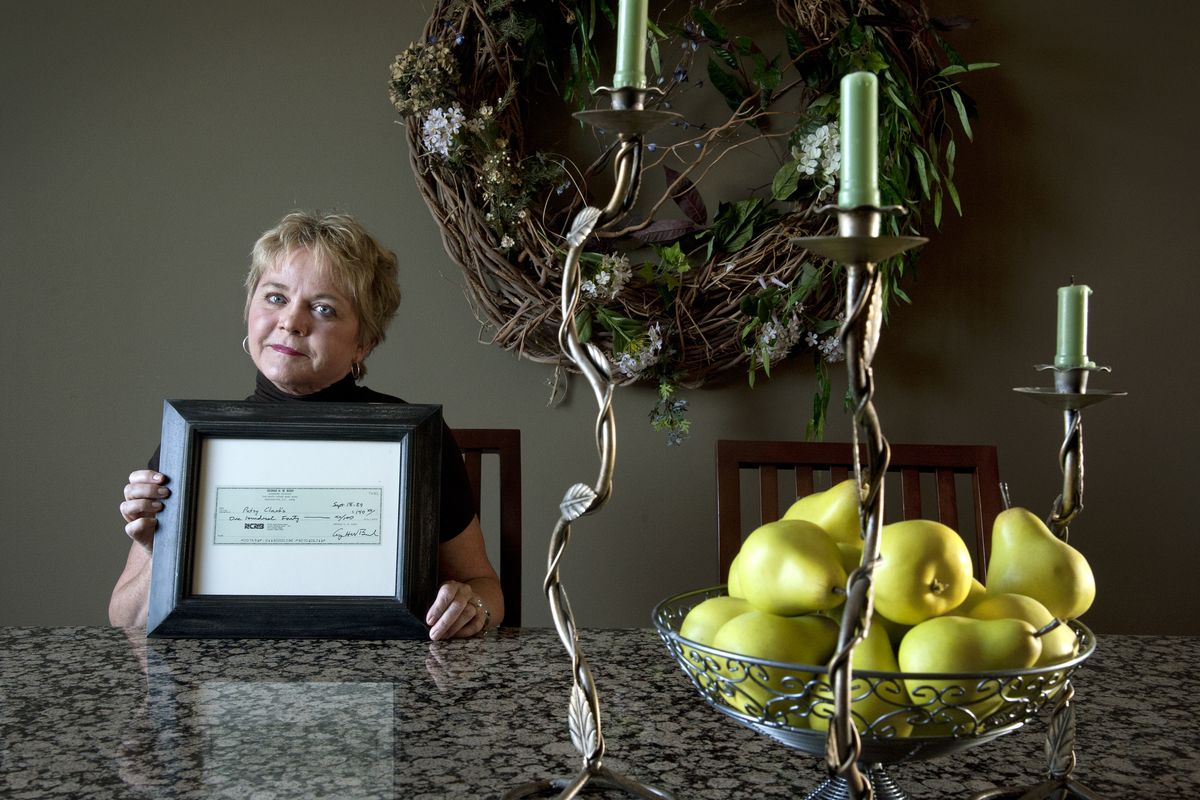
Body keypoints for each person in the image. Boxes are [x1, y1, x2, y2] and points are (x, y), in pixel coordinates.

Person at [110, 211, 503, 639]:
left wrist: (471, 607)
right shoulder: (193, 442)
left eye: (323, 308)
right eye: (275, 297)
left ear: (364, 343)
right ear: (249, 309)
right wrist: (162, 551)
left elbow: (485, 587)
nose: (291, 322)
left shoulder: (415, 443)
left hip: (377, 669)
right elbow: (124, 619)